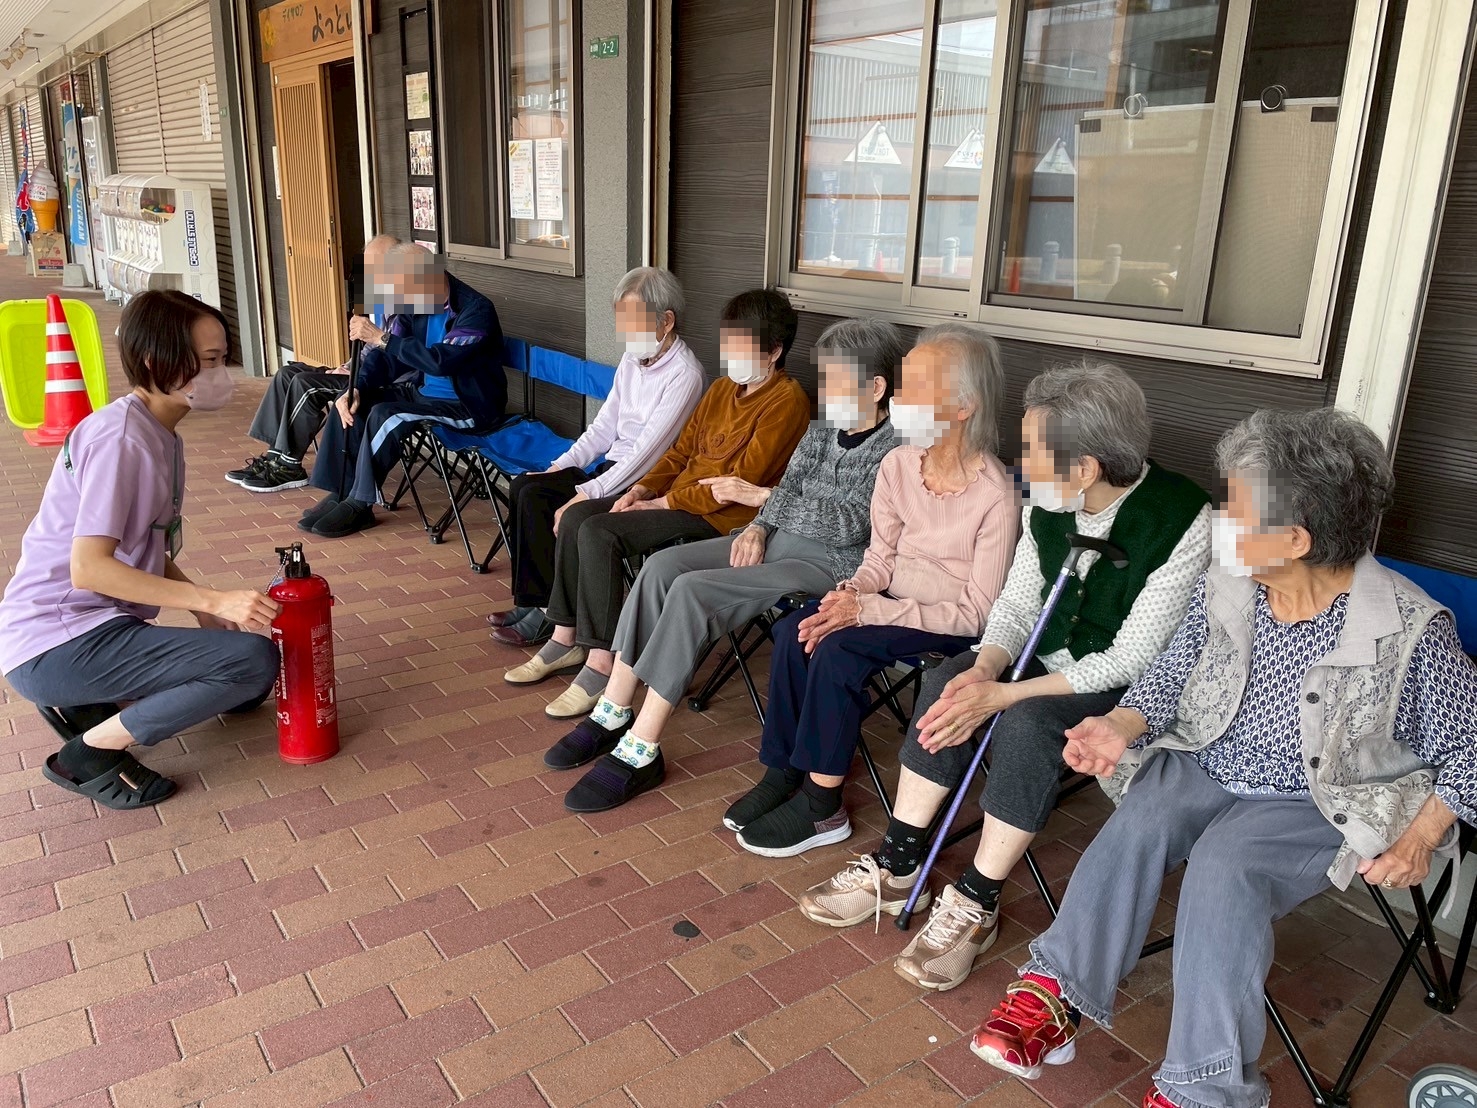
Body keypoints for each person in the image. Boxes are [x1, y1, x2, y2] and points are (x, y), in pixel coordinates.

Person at [969, 408, 1477, 1108]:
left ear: (1295, 539)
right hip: (1208, 755)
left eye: (1236, 509)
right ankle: (1058, 992)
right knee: (1146, 817)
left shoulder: (1407, 631)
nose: (1219, 521)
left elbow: (1470, 747)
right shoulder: (1233, 583)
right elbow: (1174, 668)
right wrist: (1120, 723)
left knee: (1224, 864)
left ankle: (1207, 1090)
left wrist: (1421, 836)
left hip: (1316, 796)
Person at [797, 360, 1211, 992]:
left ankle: (977, 900)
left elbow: (1133, 659)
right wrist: (987, 666)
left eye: (1037, 452)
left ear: (1086, 468)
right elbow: (1016, 603)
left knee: (1028, 723)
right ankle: (899, 862)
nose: (1024, 464)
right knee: (950, 681)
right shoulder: (1051, 499)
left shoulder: (1183, 519)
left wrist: (1008, 693)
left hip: (1121, 686)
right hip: (1039, 654)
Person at [547, 318, 907, 812]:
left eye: (835, 378)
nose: (825, 390)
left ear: (876, 386)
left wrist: (763, 499)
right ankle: (612, 709)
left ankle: (641, 747)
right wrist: (758, 525)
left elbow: (852, 525)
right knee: (661, 569)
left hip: (831, 564)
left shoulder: (896, 445)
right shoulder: (825, 427)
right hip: (776, 537)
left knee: (693, 591)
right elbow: (790, 488)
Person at [721, 323, 1020, 853]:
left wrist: (870, 611)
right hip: (882, 602)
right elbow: (879, 557)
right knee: (796, 631)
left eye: (919, 388)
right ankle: (783, 770)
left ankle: (822, 806)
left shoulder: (995, 494)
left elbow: (977, 613)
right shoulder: (899, 463)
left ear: (963, 406)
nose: (901, 400)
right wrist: (851, 593)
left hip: (942, 619)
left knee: (838, 652)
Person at [0, 291, 281, 809]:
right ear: (156, 361)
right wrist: (214, 600)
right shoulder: (122, 440)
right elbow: (89, 569)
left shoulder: (155, 430)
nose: (221, 373)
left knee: (250, 676)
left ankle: (95, 703)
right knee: (251, 662)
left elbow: (146, 542)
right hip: (56, 643)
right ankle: (87, 753)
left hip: (87, 630)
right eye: (210, 360)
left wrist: (202, 608)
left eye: (223, 357)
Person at [500, 288, 811, 715]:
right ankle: (564, 637)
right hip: (676, 497)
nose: (731, 353)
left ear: (773, 351)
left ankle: (601, 662)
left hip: (720, 516)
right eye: (729, 341)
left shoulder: (787, 401)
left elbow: (739, 483)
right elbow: (679, 453)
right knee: (576, 518)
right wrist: (642, 490)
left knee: (600, 531)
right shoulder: (722, 389)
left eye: (743, 345)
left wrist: (661, 504)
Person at [490, 267, 704, 649]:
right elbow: (603, 427)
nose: (627, 332)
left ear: (667, 321)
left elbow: (647, 453)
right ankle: (534, 602)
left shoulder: (685, 374)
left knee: (568, 511)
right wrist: (561, 466)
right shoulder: (633, 359)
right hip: (610, 470)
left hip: (642, 482)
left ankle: (552, 618)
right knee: (527, 487)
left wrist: (587, 492)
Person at [301, 243, 506, 538]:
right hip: (422, 393)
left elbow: (441, 362)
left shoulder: (476, 310)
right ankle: (342, 490)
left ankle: (360, 503)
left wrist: (381, 337)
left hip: (469, 407)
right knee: (352, 402)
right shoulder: (418, 302)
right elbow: (388, 358)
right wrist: (356, 387)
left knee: (387, 415)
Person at [226, 233, 398, 492]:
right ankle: (274, 457)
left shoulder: (410, 301)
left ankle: (288, 466)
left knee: (305, 384)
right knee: (287, 373)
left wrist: (356, 371)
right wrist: (347, 366)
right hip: (359, 370)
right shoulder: (380, 296)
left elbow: (391, 356)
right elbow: (366, 347)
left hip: (380, 382)